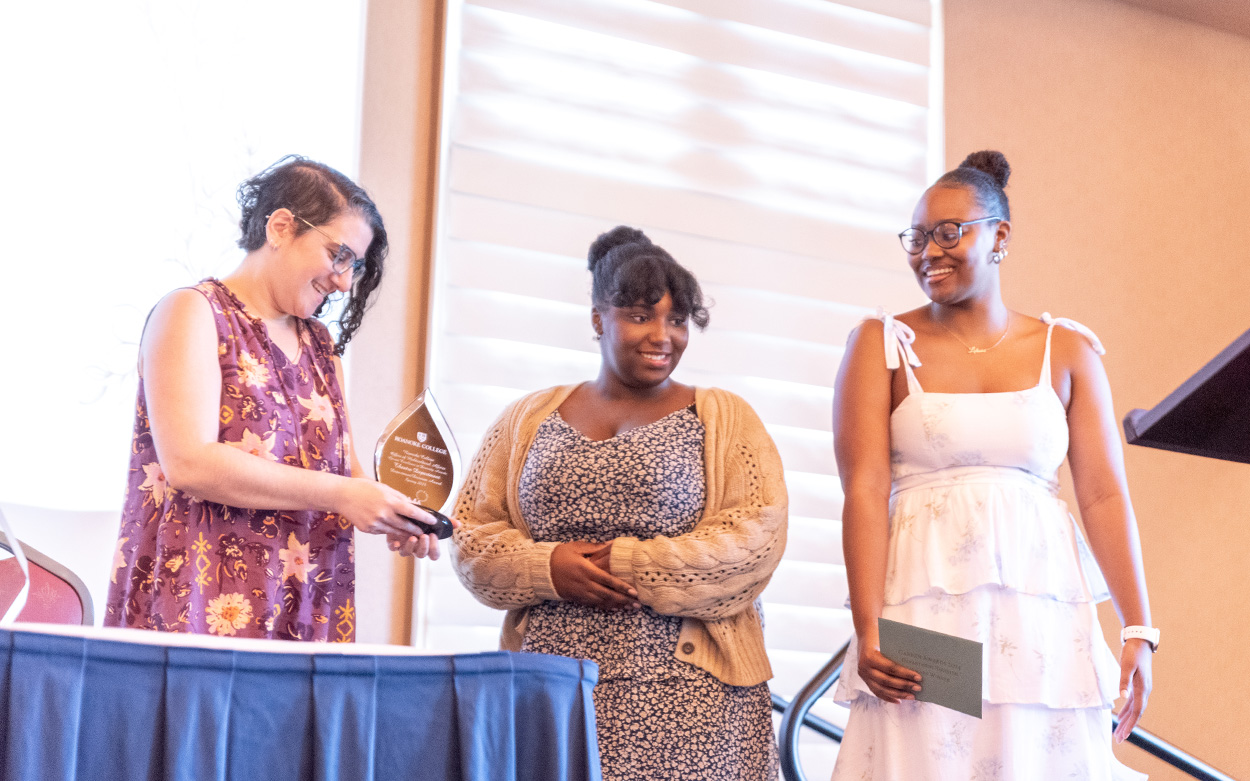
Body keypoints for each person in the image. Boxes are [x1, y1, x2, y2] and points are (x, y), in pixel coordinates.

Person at [831, 150, 1154, 779]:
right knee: (933, 761)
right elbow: (864, 489)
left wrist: (1139, 626)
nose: (929, 251)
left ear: (999, 235)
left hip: (1041, 612)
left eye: (950, 232)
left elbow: (1104, 496)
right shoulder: (881, 342)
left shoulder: (1068, 349)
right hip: (924, 610)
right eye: (917, 237)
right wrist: (867, 627)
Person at [450, 226, 786, 781]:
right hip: (551, 694)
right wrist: (548, 568)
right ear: (597, 318)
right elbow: (471, 538)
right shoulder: (526, 418)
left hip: (694, 707)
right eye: (639, 315)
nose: (663, 336)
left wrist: (627, 566)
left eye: (677, 320)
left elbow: (754, 545)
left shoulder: (725, 416)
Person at [105, 156, 447, 642]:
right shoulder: (193, 311)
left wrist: (389, 511)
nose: (346, 281)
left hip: (306, 601)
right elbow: (189, 463)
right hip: (198, 601)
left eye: (357, 266)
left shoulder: (321, 347)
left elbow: (343, 477)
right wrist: (345, 496)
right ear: (282, 227)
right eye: (340, 256)